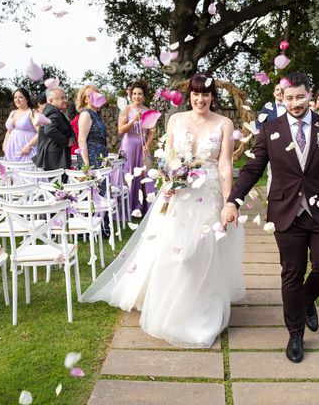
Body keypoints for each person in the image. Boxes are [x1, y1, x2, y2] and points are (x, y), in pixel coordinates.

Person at [82, 73, 245, 348]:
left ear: (212, 97)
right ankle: (170, 304)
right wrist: (168, 180)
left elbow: (225, 165)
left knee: (198, 253)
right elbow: (169, 156)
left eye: (206, 94)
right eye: (196, 94)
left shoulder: (224, 124)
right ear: (189, 96)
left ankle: (198, 310)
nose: (200, 99)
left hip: (208, 194)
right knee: (172, 252)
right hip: (177, 194)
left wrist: (229, 201)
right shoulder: (175, 120)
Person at [222, 71, 319, 363]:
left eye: (300, 96)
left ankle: (305, 300)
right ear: (281, 96)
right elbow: (253, 169)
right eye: (289, 97)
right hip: (285, 212)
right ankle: (295, 334)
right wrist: (233, 201)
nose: (295, 103)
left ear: (309, 94)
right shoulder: (270, 129)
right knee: (291, 273)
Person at [118, 79, 156, 214]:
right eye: (134, 94)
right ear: (131, 95)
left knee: (145, 173)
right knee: (129, 175)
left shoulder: (148, 111)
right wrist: (134, 120)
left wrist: (148, 144)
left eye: (139, 94)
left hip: (142, 145)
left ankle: (146, 208)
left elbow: (152, 131)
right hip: (129, 145)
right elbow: (121, 130)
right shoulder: (127, 110)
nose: (136, 96)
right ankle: (128, 207)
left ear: (144, 96)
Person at [33, 87, 76, 174]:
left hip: (54, 156)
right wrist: (66, 141)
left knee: (57, 186)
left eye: (65, 97)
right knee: (58, 186)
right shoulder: (53, 111)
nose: (65, 100)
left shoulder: (52, 110)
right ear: (51, 100)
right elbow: (50, 130)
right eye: (62, 98)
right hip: (56, 158)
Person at [2, 88, 39, 163]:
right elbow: (9, 131)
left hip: (26, 151)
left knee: (27, 172)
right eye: (15, 97)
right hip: (12, 151)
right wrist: (5, 145)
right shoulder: (13, 112)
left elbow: (40, 132)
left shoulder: (32, 112)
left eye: (20, 97)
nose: (17, 100)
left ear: (27, 99)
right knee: (12, 173)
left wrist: (28, 146)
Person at [76, 84, 108, 169]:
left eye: (96, 94)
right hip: (91, 155)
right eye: (91, 96)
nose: (95, 97)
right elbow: (81, 140)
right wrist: (86, 162)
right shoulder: (86, 114)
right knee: (94, 181)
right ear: (85, 100)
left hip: (100, 154)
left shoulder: (96, 114)